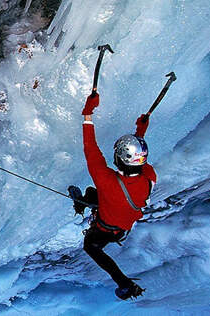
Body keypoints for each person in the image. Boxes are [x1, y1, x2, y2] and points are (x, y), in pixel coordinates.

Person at [69, 92, 156, 300]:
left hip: (104, 227)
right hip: (118, 228)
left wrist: (88, 113)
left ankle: (124, 282)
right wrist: (139, 135)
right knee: (93, 194)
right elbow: (136, 162)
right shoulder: (148, 178)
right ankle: (83, 203)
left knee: (90, 246)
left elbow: (91, 148)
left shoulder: (106, 179)